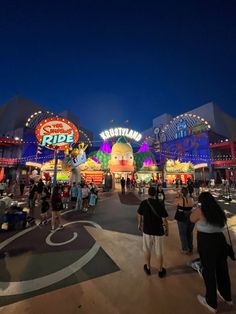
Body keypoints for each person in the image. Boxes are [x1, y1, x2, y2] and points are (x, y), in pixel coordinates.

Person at [190, 192, 233, 313]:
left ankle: (211, 302)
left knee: (208, 271)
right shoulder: (218, 210)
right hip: (220, 241)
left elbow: (191, 219)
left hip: (207, 242)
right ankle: (227, 297)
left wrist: (196, 207)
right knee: (222, 270)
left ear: (201, 201)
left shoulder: (200, 210)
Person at [137, 187, 169, 277]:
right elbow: (164, 220)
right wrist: (167, 230)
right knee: (159, 251)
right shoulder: (159, 204)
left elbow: (139, 214)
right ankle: (160, 270)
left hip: (147, 230)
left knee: (147, 250)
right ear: (155, 194)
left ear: (148, 193)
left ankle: (148, 267)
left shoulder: (144, 203)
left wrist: (139, 224)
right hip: (159, 231)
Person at [175, 187, 195, 254]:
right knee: (189, 233)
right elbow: (192, 207)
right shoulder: (191, 199)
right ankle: (190, 248)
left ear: (182, 192)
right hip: (190, 216)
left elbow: (174, 204)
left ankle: (185, 249)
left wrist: (178, 196)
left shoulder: (179, 200)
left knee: (183, 233)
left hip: (182, 217)